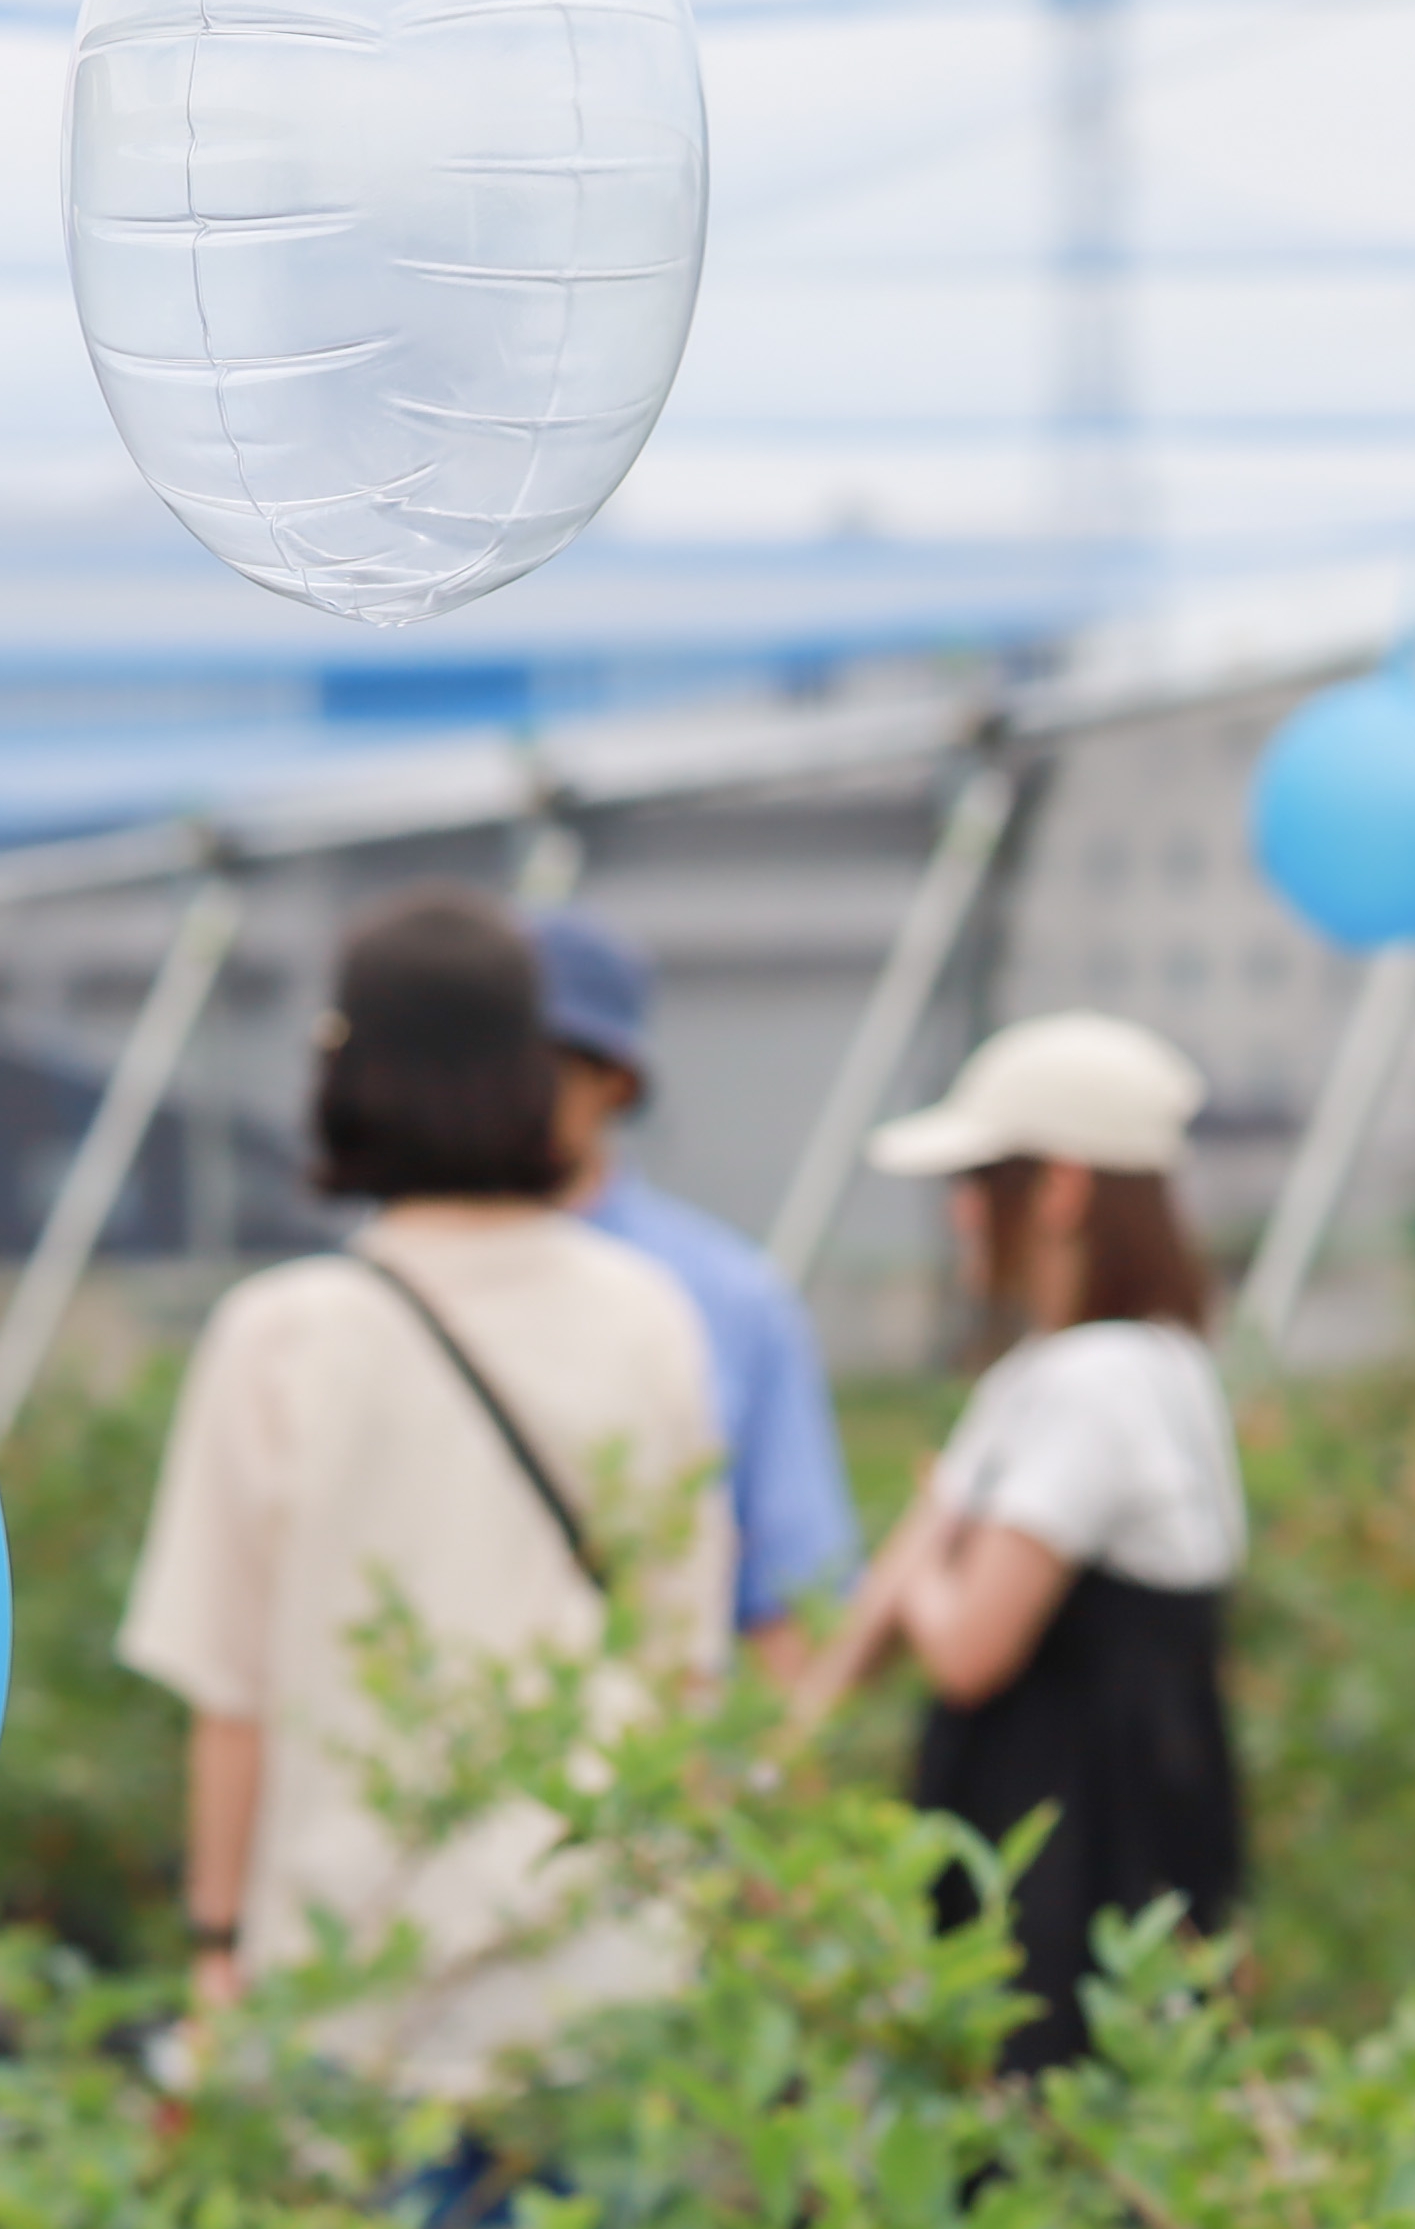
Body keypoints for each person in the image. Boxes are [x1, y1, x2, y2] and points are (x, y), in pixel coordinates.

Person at [117, 889, 728, 2088]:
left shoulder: (279, 1338)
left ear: (348, 1077)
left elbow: (231, 1694)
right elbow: (684, 1670)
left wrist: (217, 1951)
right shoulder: (648, 1318)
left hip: (351, 1982)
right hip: (596, 1976)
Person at [799, 1011, 1248, 2072]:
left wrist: (932, 1554)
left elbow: (968, 1647)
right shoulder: (1133, 1367)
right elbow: (917, 1565)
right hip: (1121, 1858)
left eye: (980, 1180)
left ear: (1061, 1188)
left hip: (1072, 1882)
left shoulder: (1092, 1385)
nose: (959, 1213)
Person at [525, 905, 859, 1671]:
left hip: (650, 1728)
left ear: (615, 1080)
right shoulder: (390, 1285)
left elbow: (794, 1599)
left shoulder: (728, 1296)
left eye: (544, 1063)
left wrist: (774, 1747)